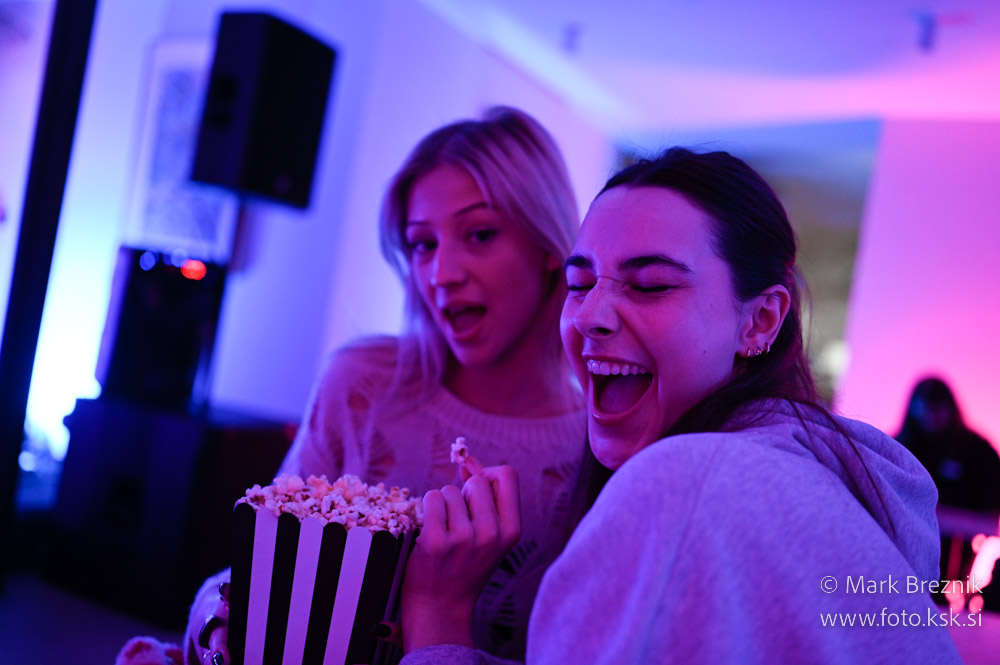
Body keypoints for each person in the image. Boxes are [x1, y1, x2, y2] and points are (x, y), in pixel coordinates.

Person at [398, 147, 963, 664]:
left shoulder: (690, 483)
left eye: (650, 286)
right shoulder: (803, 474)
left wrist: (438, 608)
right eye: (580, 283)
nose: (590, 316)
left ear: (760, 321)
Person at [185, 107, 591, 665]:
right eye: (422, 244)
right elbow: (255, 565)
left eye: (479, 235)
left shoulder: (597, 451)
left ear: (548, 247)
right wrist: (217, 621)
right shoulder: (361, 385)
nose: (441, 274)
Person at [896, 376, 1000, 514]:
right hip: (901, 524)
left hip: (961, 526)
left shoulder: (979, 452)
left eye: (936, 408)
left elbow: (991, 511)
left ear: (951, 410)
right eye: (922, 408)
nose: (930, 415)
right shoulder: (895, 449)